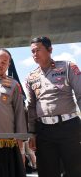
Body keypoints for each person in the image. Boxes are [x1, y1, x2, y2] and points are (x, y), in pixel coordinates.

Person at [26, 36, 81, 177]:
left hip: (69, 127)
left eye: (38, 50)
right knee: (47, 171)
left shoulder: (67, 67)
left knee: (74, 170)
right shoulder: (31, 77)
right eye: (32, 51)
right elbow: (31, 106)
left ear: (50, 50)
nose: (34, 54)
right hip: (44, 131)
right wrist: (32, 133)